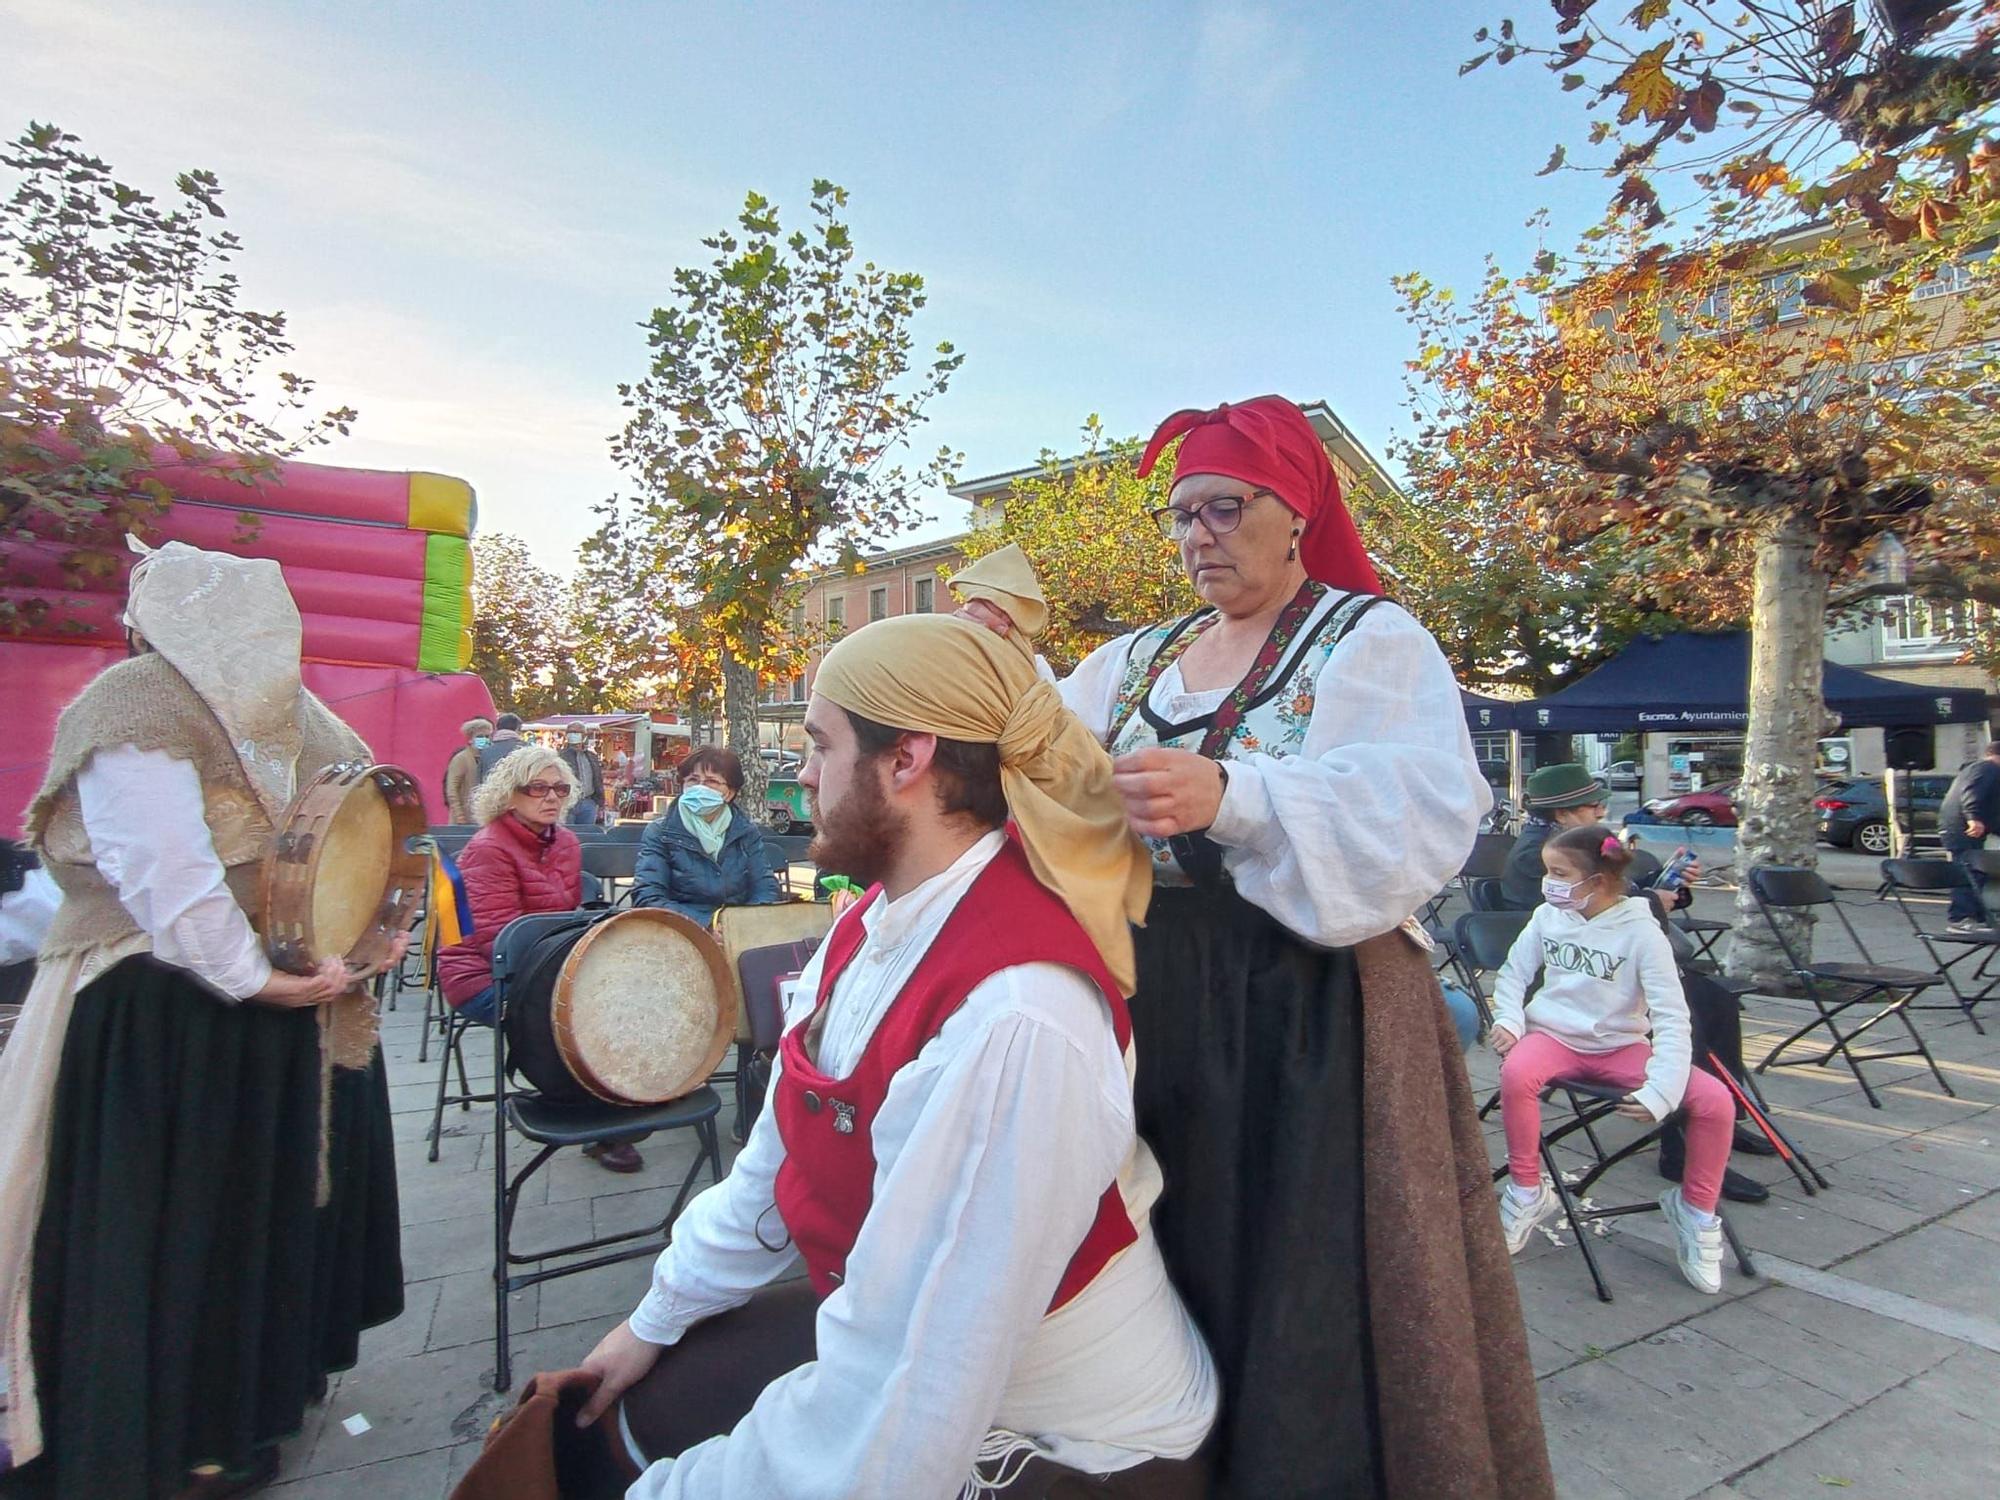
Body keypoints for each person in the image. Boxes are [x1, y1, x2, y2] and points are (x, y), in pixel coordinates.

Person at [962, 394, 1551, 1498]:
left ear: (1296, 511)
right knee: (1151, 1244)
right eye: (1182, 515)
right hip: (1143, 993)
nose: (1198, 536)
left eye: (1223, 508)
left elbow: (1427, 804)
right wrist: (1001, 695)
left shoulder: (1367, 640)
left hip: (1301, 1006)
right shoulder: (1135, 658)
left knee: (1293, 1265)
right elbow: (1047, 765)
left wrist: (1235, 793)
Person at [567, 615, 1217, 1499]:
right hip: (925, 1361)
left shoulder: (1015, 1015)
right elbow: (777, 1160)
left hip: (1076, 1446)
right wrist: (654, 1319)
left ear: (907, 759)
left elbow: (913, 1380)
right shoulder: (873, 920)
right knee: (623, 1413)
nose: (801, 773)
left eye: (819, 744)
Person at [0, 540, 406, 1500]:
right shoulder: (276, 714)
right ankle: (215, 1426)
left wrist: (280, 975)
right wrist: (315, 968)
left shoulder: (147, 699)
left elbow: (170, 879)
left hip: (194, 1012)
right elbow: (176, 876)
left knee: (200, 1227)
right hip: (208, 1010)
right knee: (218, 1221)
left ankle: (205, 1432)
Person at [1494, 764, 1774, 1205]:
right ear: (1563, 814)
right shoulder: (1542, 857)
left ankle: (1717, 1119)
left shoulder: (1583, 850)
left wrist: (1668, 892)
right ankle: (1680, 1143)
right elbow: (1576, 919)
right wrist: (1650, 902)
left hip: (1614, 971)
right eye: (1592, 805)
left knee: (1715, 999)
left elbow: (1616, 899)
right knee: (1693, 1011)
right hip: (1568, 983)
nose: (1602, 810)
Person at [1488, 825, 1736, 1294]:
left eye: (1559, 873)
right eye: (1547, 871)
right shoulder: (1547, 917)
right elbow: (1514, 974)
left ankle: (1696, 1209)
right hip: (1555, 1036)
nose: (1549, 882)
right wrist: (1510, 1021)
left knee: (1716, 1101)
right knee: (1517, 1071)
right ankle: (1526, 1188)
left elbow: (1671, 1016)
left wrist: (1662, 1089)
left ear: (1597, 881)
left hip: (1621, 1047)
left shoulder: (1642, 933)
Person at [436, 747, 640, 1175]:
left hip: (547, 965)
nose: (551, 797)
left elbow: (564, 922)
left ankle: (623, 1095)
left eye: (560, 789)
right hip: (484, 975)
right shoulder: (487, 849)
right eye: (538, 788)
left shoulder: (565, 841)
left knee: (627, 989)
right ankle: (590, 1114)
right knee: (581, 1010)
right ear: (509, 796)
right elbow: (497, 942)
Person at [630, 748, 783, 925]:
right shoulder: (660, 832)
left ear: (730, 793)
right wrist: (708, 923)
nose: (701, 788)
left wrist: (739, 925)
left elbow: (766, 889)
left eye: (711, 781)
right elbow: (648, 897)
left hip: (737, 929)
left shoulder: (746, 832)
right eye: (693, 780)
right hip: (682, 931)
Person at [1939, 740, 2000, 930]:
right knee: (1969, 872)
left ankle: (1980, 917)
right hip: (1964, 830)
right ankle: (1961, 918)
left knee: (1977, 872)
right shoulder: (1988, 768)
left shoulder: (1978, 769)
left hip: (1958, 829)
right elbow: (1971, 792)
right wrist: (1973, 817)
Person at [444, 716, 493, 824]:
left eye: (487, 736)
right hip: (464, 819)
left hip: (483, 817)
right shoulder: (461, 759)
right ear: (470, 739)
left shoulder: (488, 757)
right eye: (480, 736)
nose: (485, 739)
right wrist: (460, 816)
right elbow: (452, 790)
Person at [560, 728, 606, 827]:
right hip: (568, 802)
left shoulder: (591, 756)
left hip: (588, 801)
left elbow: (598, 779)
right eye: (572, 732)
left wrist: (600, 802)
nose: (574, 735)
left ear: (584, 735)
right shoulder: (561, 755)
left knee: (587, 834)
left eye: (577, 732)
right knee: (568, 833)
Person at [476, 712, 527, 780]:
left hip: (490, 789)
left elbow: (479, 779)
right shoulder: (526, 749)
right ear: (517, 729)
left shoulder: (485, 751)